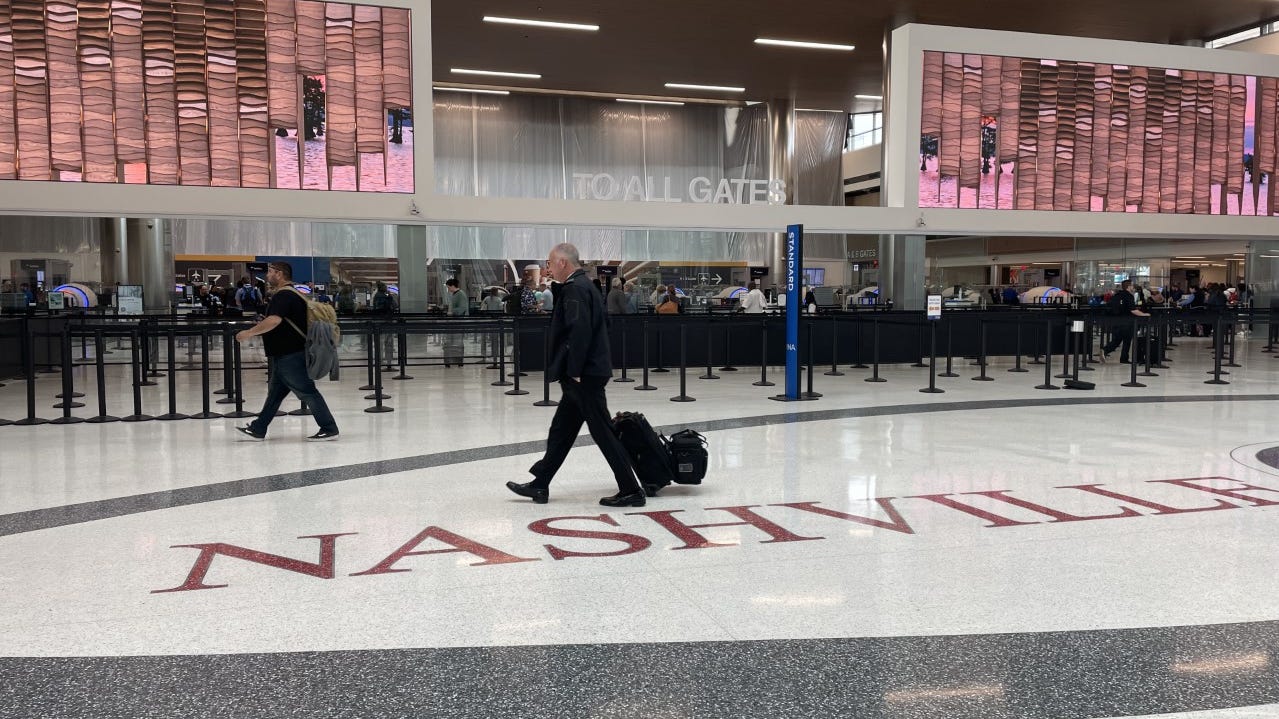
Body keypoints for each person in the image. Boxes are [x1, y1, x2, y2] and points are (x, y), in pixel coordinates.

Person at [506, 242, 645, 508]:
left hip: (584, 375)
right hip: (586, 372)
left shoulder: (575, 290)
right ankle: (540, 483)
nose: (547, 268)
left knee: (603, 432)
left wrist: (577, 370)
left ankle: (631, 489)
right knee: (561, 430)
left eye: (549, 262)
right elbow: (604, 324)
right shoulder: (585, 287)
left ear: (562, 263)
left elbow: (578, 332)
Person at [233, 261, 339, 441]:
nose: (267, 276)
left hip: (290, 354)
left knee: (307, 392)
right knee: (275, 394)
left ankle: (329, 428)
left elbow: (274, 320)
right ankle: (259, 428)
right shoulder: (294, 294)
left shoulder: (283, 295)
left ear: (279, 274)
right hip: (287, 353)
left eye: (270, 272)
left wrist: (248, 333)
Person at [1100, 279, 1150, 364]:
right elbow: (1133, 310)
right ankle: (1121, 357)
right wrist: (1144, 314)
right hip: (1126, 322)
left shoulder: (1117, 295)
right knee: (1126, 340)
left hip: (1116, 321)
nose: (1133, 288)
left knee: (1117, 340)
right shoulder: (1129, 296)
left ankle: (1107, 351)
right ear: (1128, 287)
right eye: (1132, 286)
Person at [443, 277, 468, 367]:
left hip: (457, 322)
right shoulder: (456, 294)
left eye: (449, 287)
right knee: (454, 342)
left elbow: (462, 308)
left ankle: (456, 361)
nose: (448, 289)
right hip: (454, 322)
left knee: (456, 342)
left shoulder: (460, 295)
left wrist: (451, 312)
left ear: (453, 286)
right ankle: (453, 360)